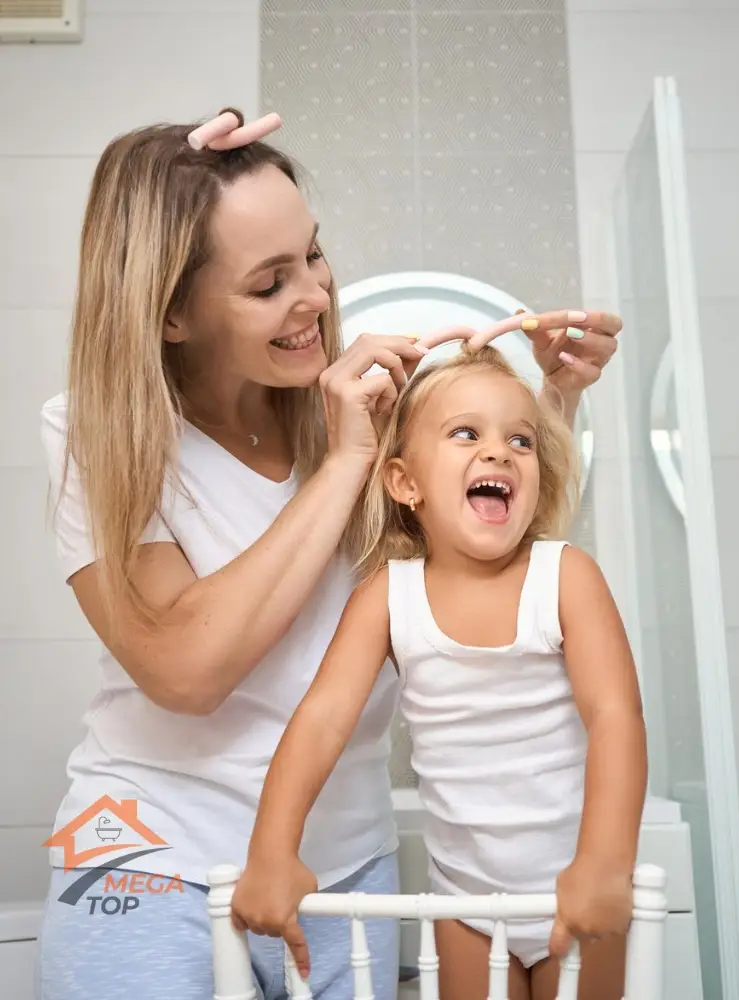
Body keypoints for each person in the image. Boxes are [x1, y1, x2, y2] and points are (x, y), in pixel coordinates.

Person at [35, 106, 624, 1000]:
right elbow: (184, 670)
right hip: (150, 856)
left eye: (312, 253)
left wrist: (549, 401)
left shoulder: (366, 407)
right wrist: (347, 456)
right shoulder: (100, 432)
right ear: (172, 315)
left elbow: (478, 555)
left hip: (342, 868)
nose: (314, 296)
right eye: (268, 283)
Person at [230, 344, 648, 1000]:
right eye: (466, 433)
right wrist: (272, 853)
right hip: (467, 912)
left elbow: (616, 717)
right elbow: (321, 721)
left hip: (580, 891)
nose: (498, 452)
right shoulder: (387, 598)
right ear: (405, 483)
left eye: (521, 439)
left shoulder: (564, 577)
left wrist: (606, 863)